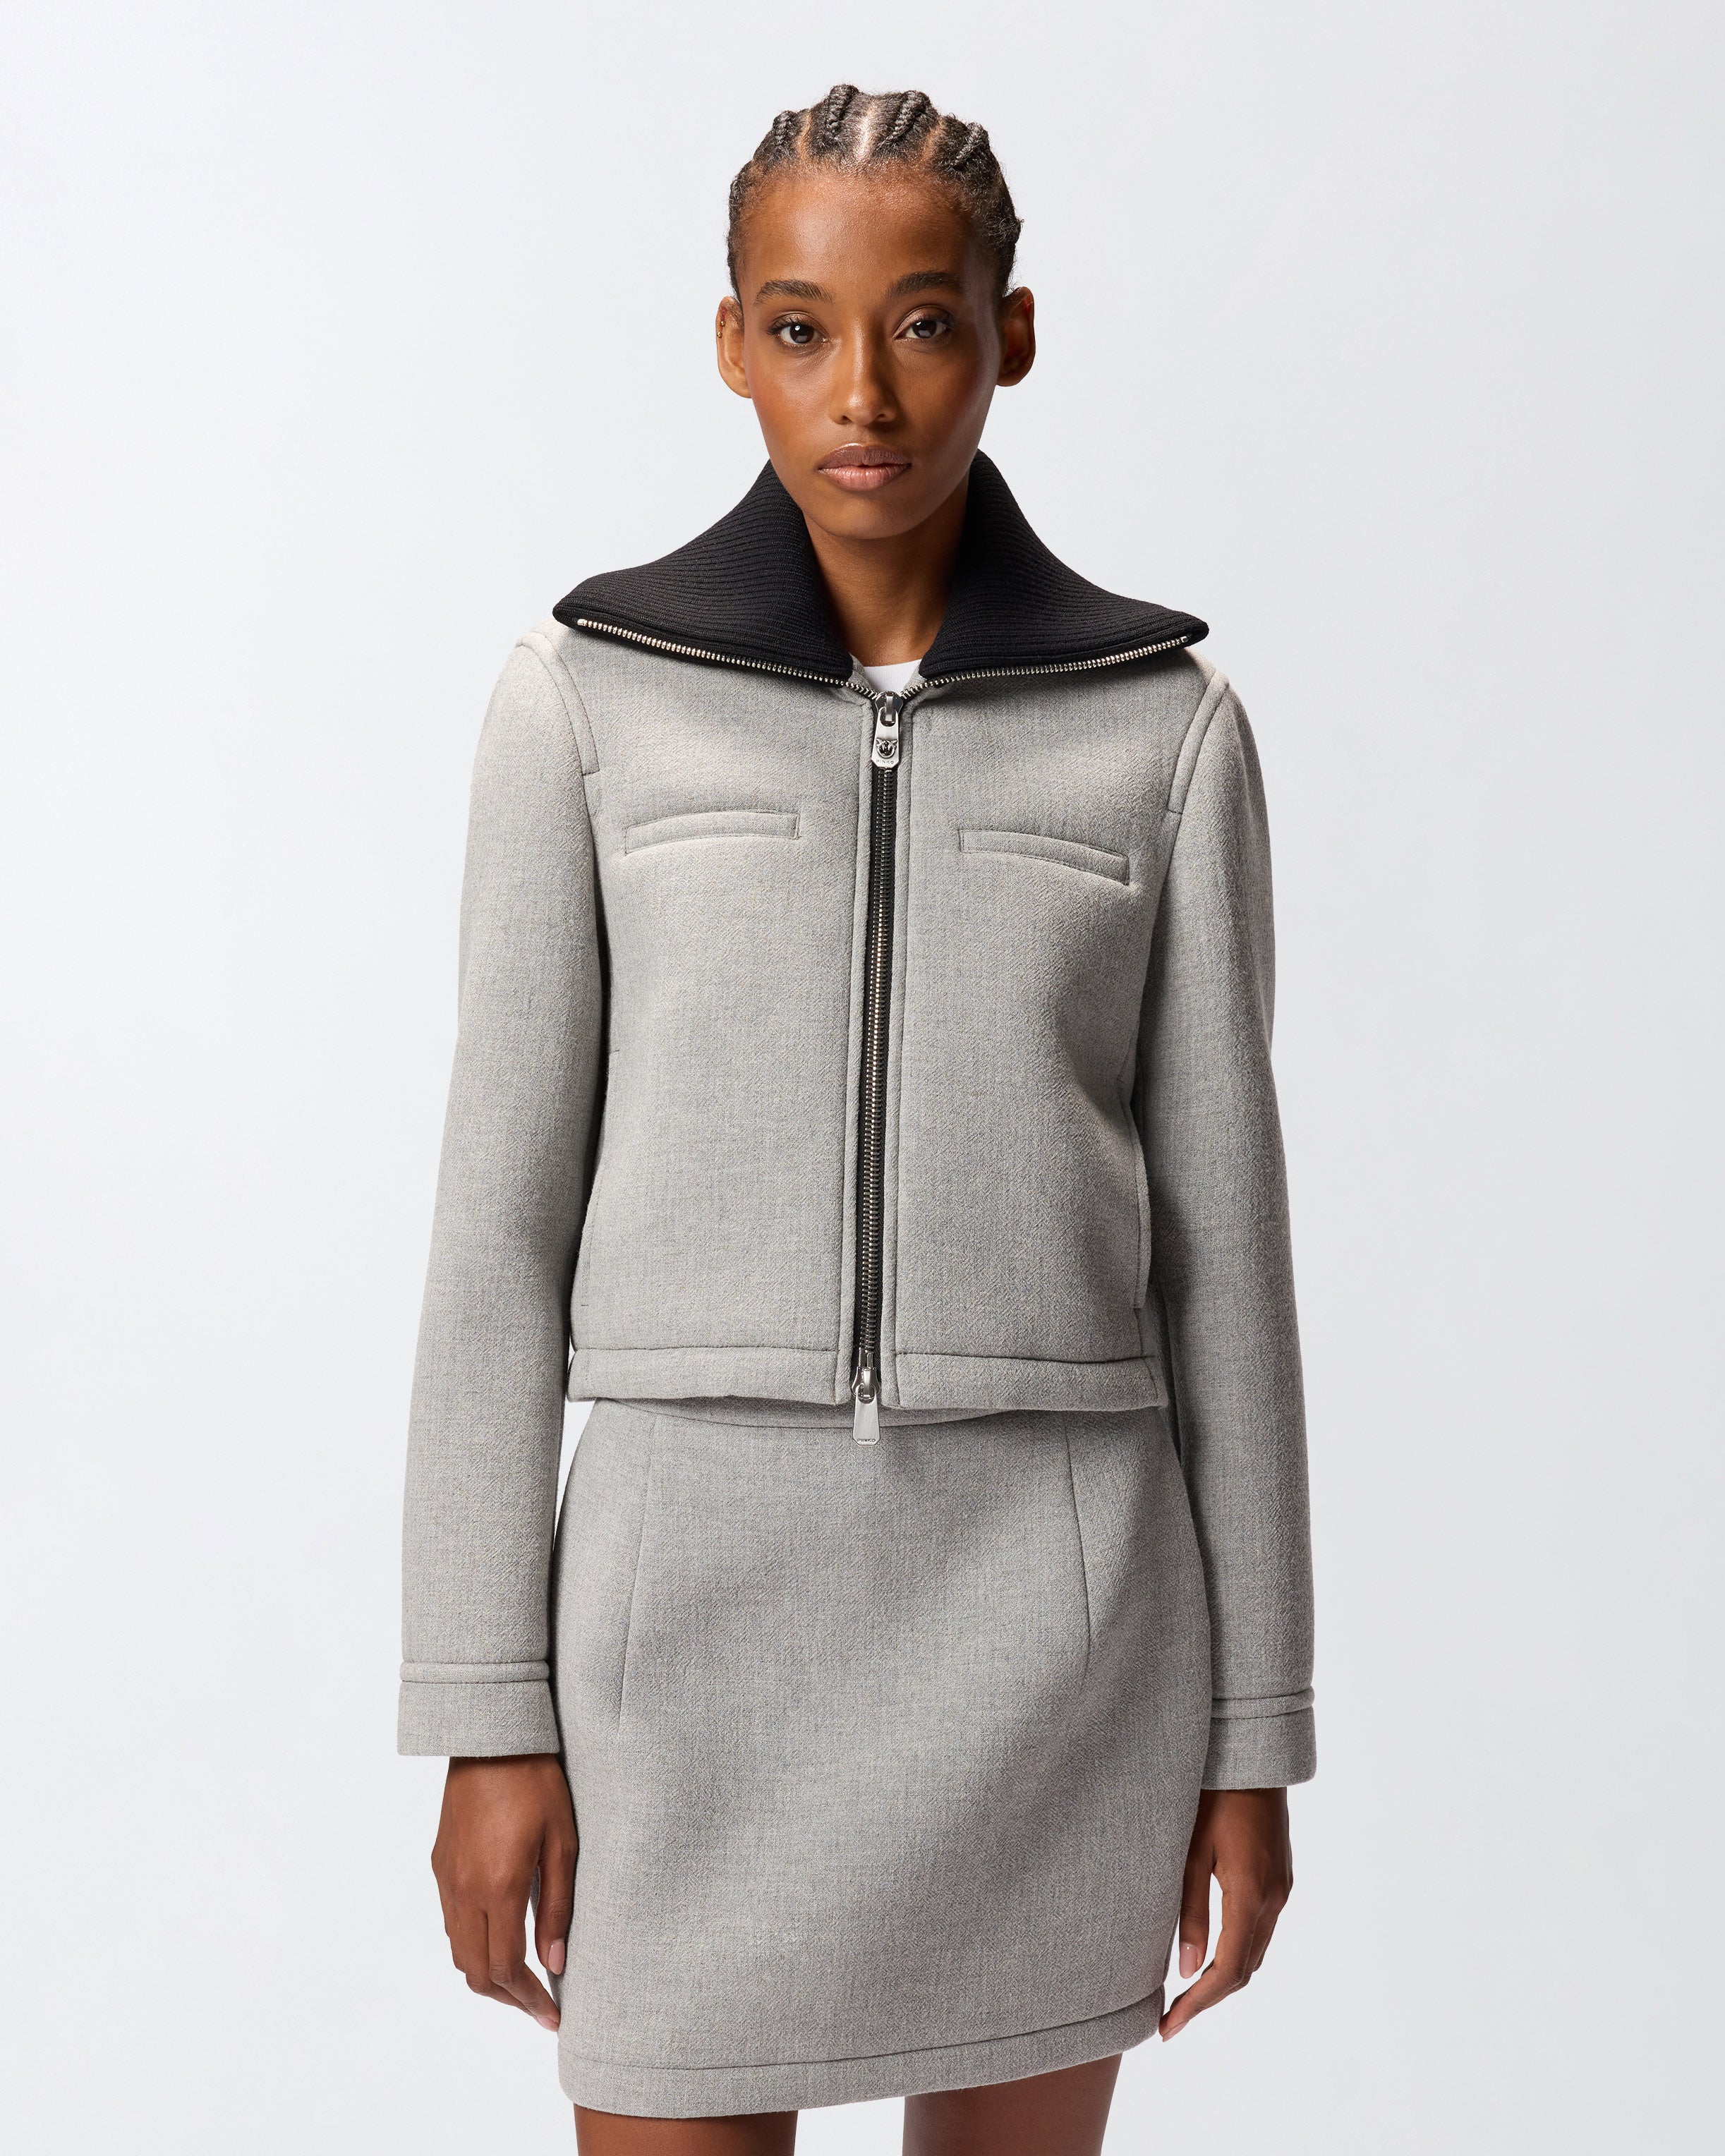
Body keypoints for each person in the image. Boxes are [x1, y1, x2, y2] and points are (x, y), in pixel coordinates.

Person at [399, 83, 1316, 2156]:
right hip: (680, 1636)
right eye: (802, 329)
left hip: (1058, 1639)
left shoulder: (1164, 734)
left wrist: (1253, 1733)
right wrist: (480, 1710)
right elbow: (496, 1238)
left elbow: (1230, 1266)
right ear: (732, 340)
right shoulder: (585, 699)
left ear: (1012, 333)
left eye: (923, 323)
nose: (865, 394)